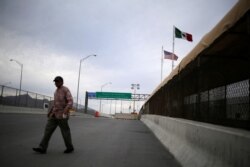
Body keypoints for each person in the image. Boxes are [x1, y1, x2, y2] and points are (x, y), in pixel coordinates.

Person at [33, 76, 74, 154]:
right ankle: (42, 148)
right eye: (55, 81)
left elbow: (70, 101)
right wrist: (50, 112)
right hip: (54, 115)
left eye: (57, 81)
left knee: (65, 132)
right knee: (47, 131)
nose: (56, 83)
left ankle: (70, 147)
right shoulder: (55, 91)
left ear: (62, 82)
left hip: (62, 116)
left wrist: (65, 110)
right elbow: (55, 104)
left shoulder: (65, 90)